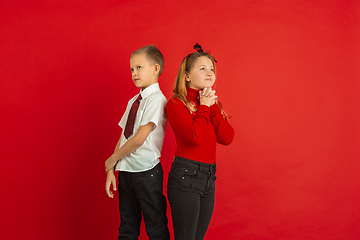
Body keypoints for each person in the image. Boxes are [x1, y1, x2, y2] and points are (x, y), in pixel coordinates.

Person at [166, 43, 235, 240]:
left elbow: (227, 138)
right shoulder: (176, 103)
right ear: (187, 75)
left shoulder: (211, 103)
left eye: (211, 69)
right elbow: (194, 137)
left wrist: (211, 106)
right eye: (202, 68)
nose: (209, 72)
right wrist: (205, 106)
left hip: (208, 177)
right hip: (186, 177)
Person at [104, 45, 170, 240]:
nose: (134, 73)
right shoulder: (133, 100)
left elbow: (139, 138)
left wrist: (112, 159)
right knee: (127, 228)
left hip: (146, 172)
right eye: (132, 69)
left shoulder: (156, 100)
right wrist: (112, 168)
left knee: (155, 227)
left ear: (155, 68)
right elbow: (124, 135)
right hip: (126, 172)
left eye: (139, 68)